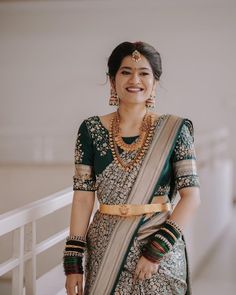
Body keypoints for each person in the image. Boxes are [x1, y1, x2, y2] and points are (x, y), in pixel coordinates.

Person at [63, 41, 201, 295]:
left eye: (144, 73)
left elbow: (191, 197)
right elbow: (83, 197)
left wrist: (156, 251)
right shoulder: (90, 130)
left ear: (155, 82)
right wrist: (73, 262)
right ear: (112, 79)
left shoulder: (175, 130)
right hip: (106, 249)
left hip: (160, 248)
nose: (134, 79)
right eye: (125, 71)